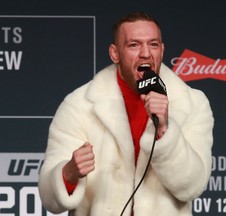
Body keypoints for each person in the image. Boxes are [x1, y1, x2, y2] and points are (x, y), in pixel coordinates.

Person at [38, 11, 214, 216]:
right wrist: (69, 174)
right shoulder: (79, 105)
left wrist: (165, 130)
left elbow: (192, 186)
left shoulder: (192, 103)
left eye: (153, 44)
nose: (146, 53)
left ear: (162, 50)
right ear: (115, 53)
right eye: (134, 45)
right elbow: (50, 198)